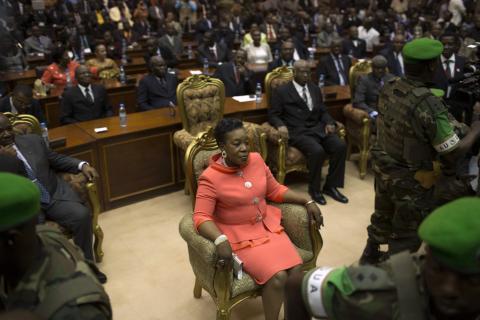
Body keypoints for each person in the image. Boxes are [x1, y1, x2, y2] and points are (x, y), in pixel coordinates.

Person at [359, 38, 480, 264]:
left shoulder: (390, 86)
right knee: (406, 238)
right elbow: (452, 152)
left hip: (385, 170)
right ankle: (391, 279)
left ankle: (370, 255)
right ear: (432, 66)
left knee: (381, 218)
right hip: (411, 181)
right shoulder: (427, 104)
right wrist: (475, 127)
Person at [193, 118, 323, 320]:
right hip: (241, 238)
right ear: (223, 147)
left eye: (246, 142)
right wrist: (220, 239)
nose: (244, 148)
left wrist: (306, 200)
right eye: (237, 144)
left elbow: (275, 190)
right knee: (278, 277)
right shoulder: (210, 177)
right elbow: (200, 217)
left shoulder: (256, 159)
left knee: (296, 271)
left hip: (268, 229)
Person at [285, 197, 480, 320]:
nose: (449, 289)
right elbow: (298, 285)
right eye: (438, 269)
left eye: (470, 280)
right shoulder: (387, 287)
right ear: (426, 257)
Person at [0, 114, 105, 278]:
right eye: (0, 131)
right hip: (27, 205)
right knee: (34, 236)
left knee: (82, 216)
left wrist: (81, 164)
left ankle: (88, 266)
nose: (6, 134)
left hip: (53, 194)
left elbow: (56, 159)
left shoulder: (33, 140)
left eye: (8, 129)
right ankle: (46, 277)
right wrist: (6, 161)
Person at [0, 171, 112, 319]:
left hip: (55, 196)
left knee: (81, 215)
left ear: (11, 240)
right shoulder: (40, 235)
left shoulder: (76, 312)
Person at [269, 60, 348, 205]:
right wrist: (280, 125)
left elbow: (323, 111)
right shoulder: (282, 91)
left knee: (340, 146)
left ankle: (331, 186)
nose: (306, 75)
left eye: (308, 72)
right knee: (317, 151)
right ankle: (314, 190)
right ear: (294, 73)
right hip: (297, 131)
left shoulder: (314, 88)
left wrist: (330, 122)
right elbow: (273, 114)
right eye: (302, 72)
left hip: (317, 128)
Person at [433, 32, 467, 121]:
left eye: (450, 44)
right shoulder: (432, 63)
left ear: (456, 45)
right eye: (443, 44)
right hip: (436, 110)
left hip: (457, 110)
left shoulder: (462, 62)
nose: (446, 47)